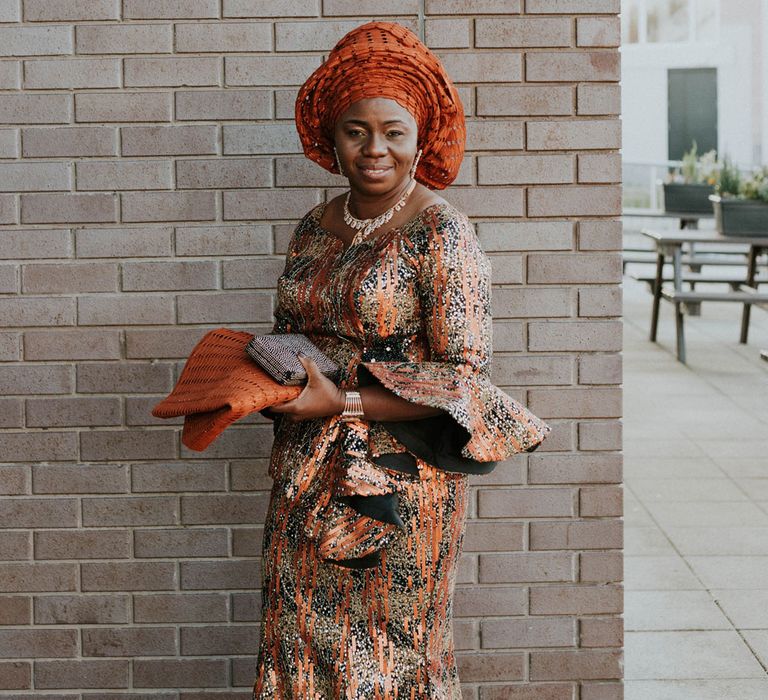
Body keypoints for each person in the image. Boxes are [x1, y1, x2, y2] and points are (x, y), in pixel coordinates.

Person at [252, 22, 550, 699]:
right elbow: (292, 332)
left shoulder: (440, 230)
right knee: (296, 633)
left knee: (386, 649)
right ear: (332, 137)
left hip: (400, 480)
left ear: (421, 138)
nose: (375, 148)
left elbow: (462, 381)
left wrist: (344, 402)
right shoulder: (311, 224)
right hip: (305, 462)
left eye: (394, 130)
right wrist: (264, 378)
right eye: (357, 130)